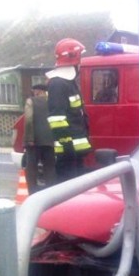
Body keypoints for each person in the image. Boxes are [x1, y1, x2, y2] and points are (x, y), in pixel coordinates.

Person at [46, 38, 92, 182]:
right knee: (68, 189)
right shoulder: (58, 84)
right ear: (74, 58)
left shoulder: (68, 83)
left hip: (75, 152)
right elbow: (56, 118)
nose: (81, 63)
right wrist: (67, 144)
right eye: (80, 58)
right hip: (68, 151)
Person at [23, 83, 56, 193]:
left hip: (35, 142)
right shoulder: (52, 102)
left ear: (37, 91)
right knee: (50, 169)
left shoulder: (30, 101)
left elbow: (28, 120)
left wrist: (29, 139)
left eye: (34, 91)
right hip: (50, 141)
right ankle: (50, 193)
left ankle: (32, 192)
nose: (34, 93)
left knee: (31, 168)